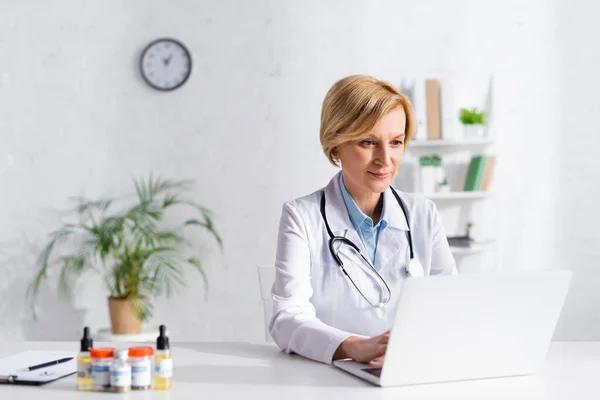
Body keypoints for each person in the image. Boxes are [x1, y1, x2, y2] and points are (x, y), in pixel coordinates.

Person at [269, 75, 457, 365]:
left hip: (408, 372)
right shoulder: (302, 217)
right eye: (369, 142)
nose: (385, 159)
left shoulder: (423, 214)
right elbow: (287, 319)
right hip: (329, 378)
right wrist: (353, 346)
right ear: (336, 143)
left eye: (396, 142)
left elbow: (451, 305)